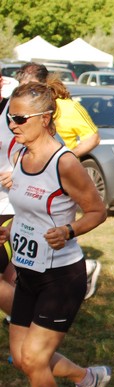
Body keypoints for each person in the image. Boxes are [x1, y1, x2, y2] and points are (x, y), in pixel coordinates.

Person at [0, 82, 109, 387]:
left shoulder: (64, 162)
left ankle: (86, 380)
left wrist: (69, 231)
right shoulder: (19, 155)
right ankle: (88, 379)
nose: (12, 125)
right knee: (22, 359)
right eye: (11, 117)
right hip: (27, 274)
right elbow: (26, 210)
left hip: (60, 278)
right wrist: (13, 230)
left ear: (45, 118)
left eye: (20, 119)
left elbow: (97, 210)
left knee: (35, 360)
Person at [16, 62, 102, 300]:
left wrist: (64, 158)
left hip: (61, 173)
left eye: (32, 88)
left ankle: (80, 271)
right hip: (31, 169)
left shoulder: (67, 107)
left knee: (56, 229)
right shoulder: (21, 111)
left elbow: (94, 137)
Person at [0, 75, 20, 319]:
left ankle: (28, 322)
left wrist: (17, 174)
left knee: (11, 273)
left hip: (10, 204)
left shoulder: (15, 114)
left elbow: (43, 152)